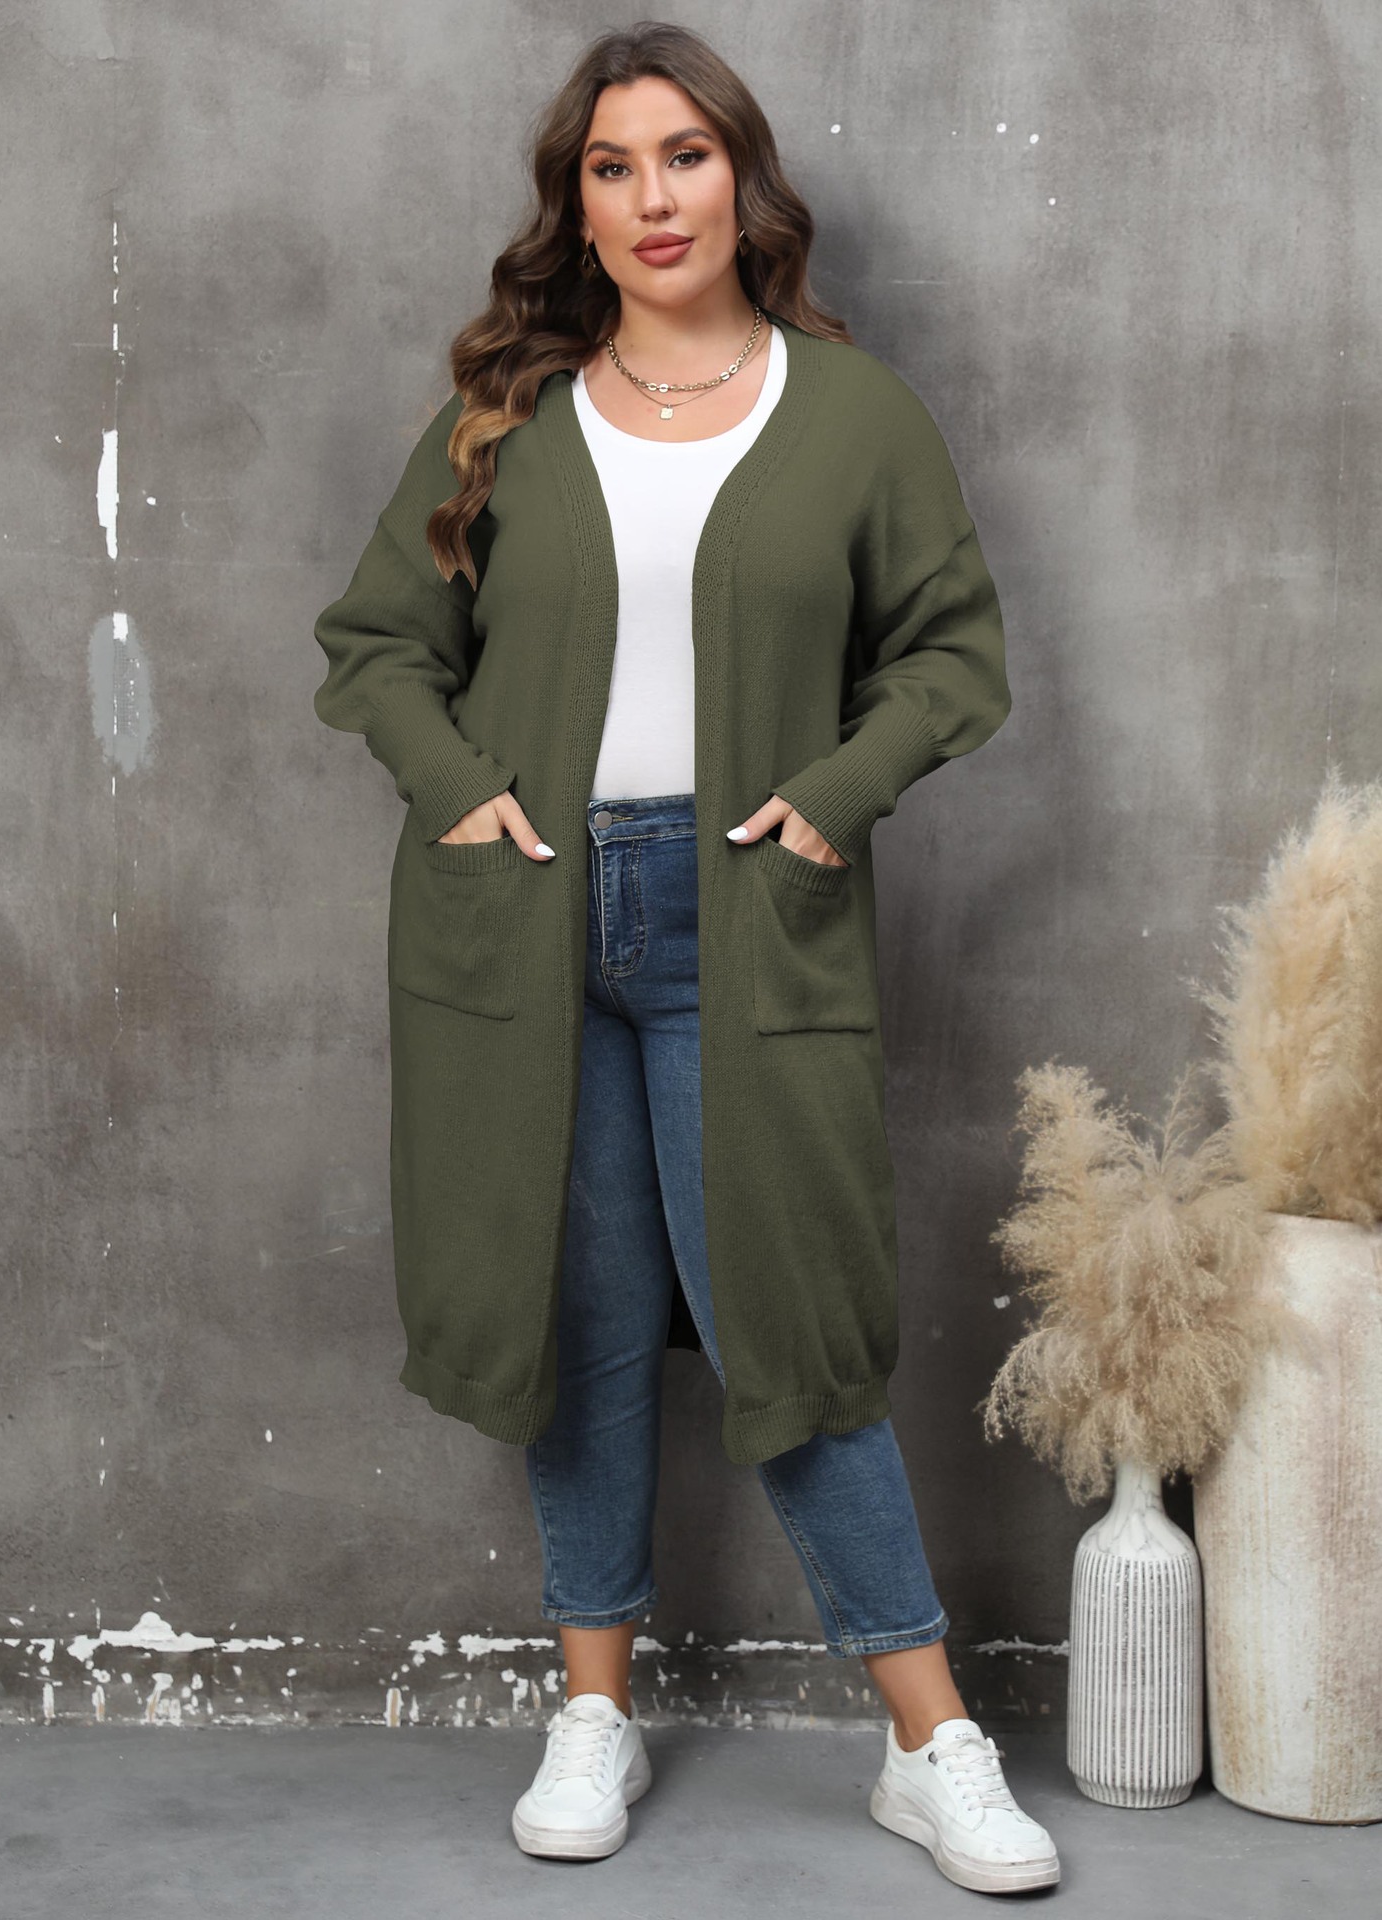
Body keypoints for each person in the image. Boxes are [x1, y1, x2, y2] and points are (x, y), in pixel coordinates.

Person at [312, 21, 1059, 1896]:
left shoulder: (856, 417)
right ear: (576, 206)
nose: (653, 199)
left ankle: (931, 1746)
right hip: (527, 916)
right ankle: (595, 1711)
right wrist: (462, 795)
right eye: (611, 167)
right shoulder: (506, 418)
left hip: (747, 908)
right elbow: (378, 643)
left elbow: (953, 658)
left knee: (787, 1323)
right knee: (576, 1331)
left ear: (744, 177)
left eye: (685, 156)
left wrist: (836, 797)